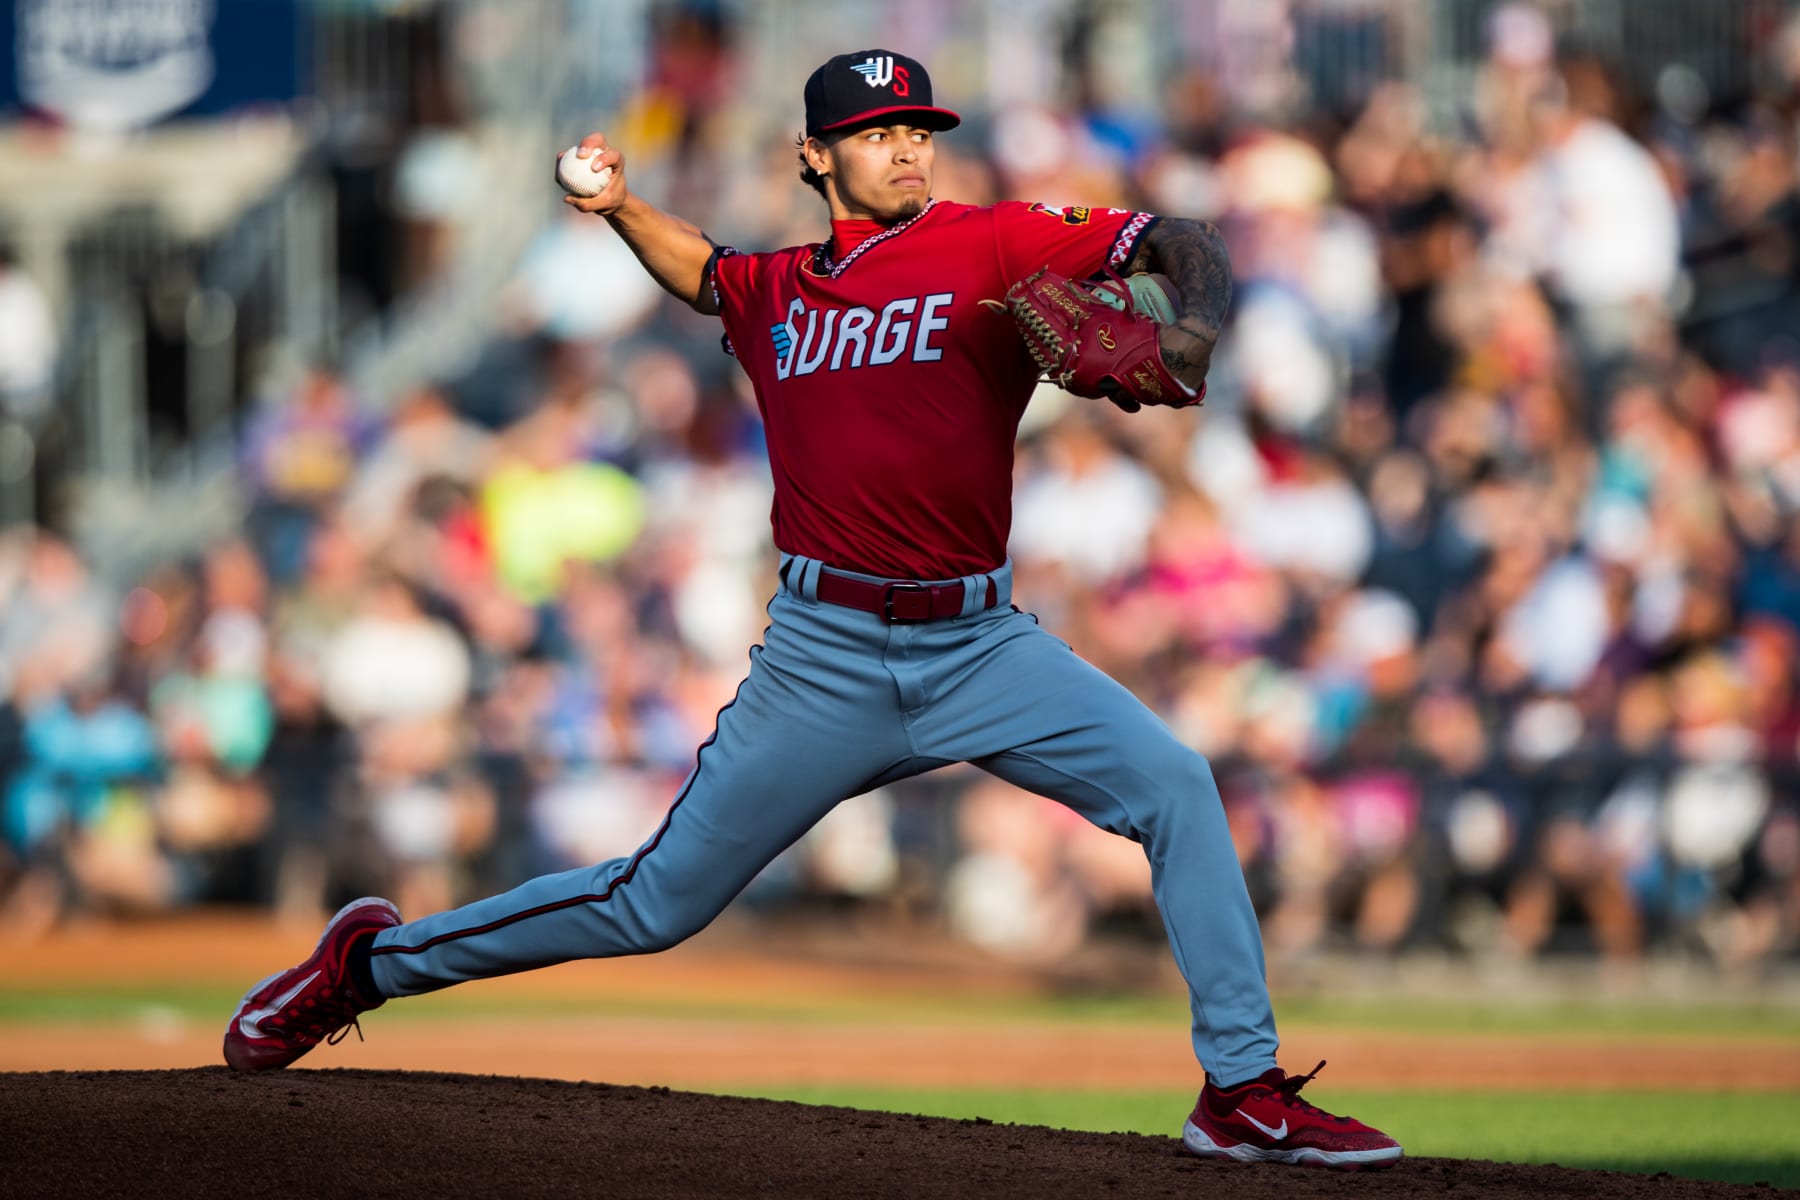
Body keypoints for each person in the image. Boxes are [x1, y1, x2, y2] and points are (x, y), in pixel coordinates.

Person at [222, 48, 1402, 1170]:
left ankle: (1240, 1094)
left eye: (914, 129)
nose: (902, 148)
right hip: (824, 658)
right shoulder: (776, 289)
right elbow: (704, 270)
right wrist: (622, 209)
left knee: (1177, 786)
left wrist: (1185, 320)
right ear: (813, 156)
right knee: (652, 904)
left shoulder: (994, 241)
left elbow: (1178, 238)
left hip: (979, 643)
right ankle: (368, 966)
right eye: (873, 132)